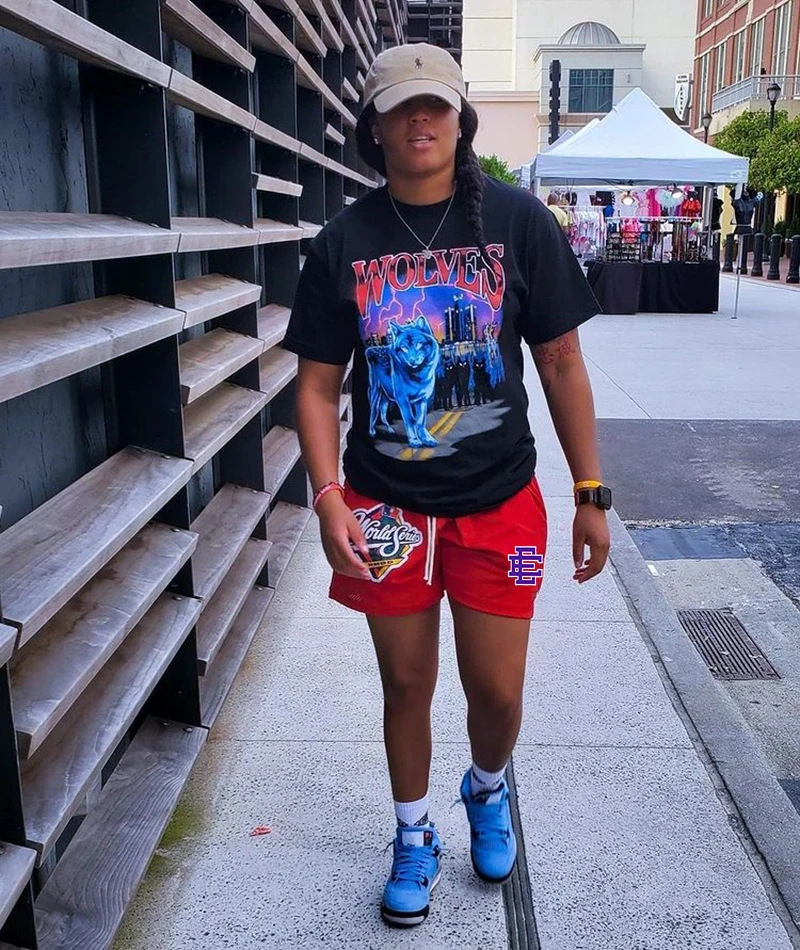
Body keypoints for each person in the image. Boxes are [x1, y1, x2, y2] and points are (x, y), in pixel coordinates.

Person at [281, 41, 611, 929]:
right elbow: (315, 386)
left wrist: (590, 491)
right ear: (375, 128)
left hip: (499, 502)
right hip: (385, 507)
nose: (419, 119)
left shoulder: (517, 222)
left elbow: (562, 362)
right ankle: (413, 833)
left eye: (434, 104)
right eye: (400, 107)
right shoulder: (344, 242)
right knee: (406, 685)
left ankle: (487, 788)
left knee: (496, 693)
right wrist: (327, 495)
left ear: (461, 120)